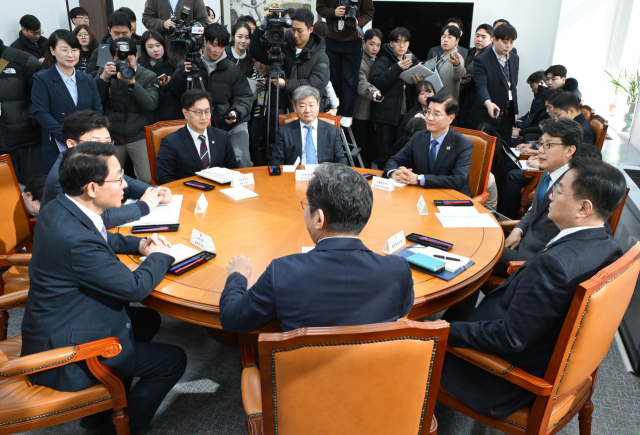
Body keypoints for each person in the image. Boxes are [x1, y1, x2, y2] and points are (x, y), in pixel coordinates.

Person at [440, 157, 626, 419]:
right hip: (542, 350)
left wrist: (442, 330)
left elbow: (510, 337)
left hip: (504, 380)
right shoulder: (608, 245)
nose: (550, 196)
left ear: (584, 208)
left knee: (409, 343)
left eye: (559, 191)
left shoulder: (554, 266)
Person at [21, 141, 187, 434]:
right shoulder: (76, 240)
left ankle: (102, 409)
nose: (125, 185)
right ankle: (119, 427)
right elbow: (135, 288)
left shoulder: (60, 207)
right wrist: (162, 256)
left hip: (57, 320)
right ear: (92, 189)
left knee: (147, 319)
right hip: (68, 350)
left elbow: (102, 237)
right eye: (118, 178)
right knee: (173, 360)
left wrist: (140, 244)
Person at [219, 163, 414, 333]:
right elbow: (401, 311)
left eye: (306, 205)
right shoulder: (398, 271)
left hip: (300, 375)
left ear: (319, 218)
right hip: (374, 371)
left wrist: (238, 276)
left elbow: (232, 319)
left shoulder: (283, 272)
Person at [40, 110, 173, 228]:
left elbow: (126, 183)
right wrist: (144, 206)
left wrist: (155, 193)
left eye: (108, 142)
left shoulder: (96, 162)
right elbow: (94, 217)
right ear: (72, 144)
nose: (104, 150)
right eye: (96, 143)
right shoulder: (63, 176)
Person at [495, 118, 583, 276]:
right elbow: (533, 210)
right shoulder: (549, 172)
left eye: (548, 145)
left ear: (569, 150)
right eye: (540, 143)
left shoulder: (574, 188)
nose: (540, 150)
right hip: (523, 243)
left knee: (478, 252)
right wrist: (519, 230)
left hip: (535, 262)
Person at [169, 23, 253, 168]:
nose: (217, 50)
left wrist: (236, 112)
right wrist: (181, 74)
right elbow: (174, 92)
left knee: (240, 157)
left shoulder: (232, 69)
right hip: (199, 124)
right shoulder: (189, 64)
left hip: (228, 125)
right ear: (204, 41)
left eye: (221, 46)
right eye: (213, 45)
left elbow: (245, 96)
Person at [32, 29, 103, 174]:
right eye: (64, 50)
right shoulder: (42, 79)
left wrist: (88, 136)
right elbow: (41, 113)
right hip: (57, 146)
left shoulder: (87, 79)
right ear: (52, 50)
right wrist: (69, 137)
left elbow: (98, 110)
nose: (70, 55)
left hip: (87, 145)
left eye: (74, 50)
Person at [94, 37, 158, 183]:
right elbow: (93, 100)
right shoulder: (106, 72)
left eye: (129, 60)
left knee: (147, 178)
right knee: (108, 178)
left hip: (138, 134)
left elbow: (150, 105)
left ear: (136, 56)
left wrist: (132, 84)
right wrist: (103, 78)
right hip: (113, 136)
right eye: (119, 60)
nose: (124, 64)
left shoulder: (148, 75)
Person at [385, 94, 474, 196]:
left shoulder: (463, 144)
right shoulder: (418, 137)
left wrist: (419, 179)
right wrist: (394, 173)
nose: (429, 118)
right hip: (422, 195)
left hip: (451, 198)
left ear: (451, 118)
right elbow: (394, 160)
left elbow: (458, 180)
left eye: (436, 114)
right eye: (428, 112)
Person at [156, 88, 239, 184]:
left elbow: (233, 169)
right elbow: (164, 179)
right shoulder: (171, 142)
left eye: (207, 111)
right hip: (189, 195)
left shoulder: (222, 136)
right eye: (198, 112)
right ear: (185, 113)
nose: (204, 117)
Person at [251, 9, 330, 104]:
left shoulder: (320, 55)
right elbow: (257, 53)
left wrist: (286, 84)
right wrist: (262, 27)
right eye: (293, 29)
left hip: (306, 110)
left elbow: (317, 83)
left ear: (310, 29)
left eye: (300, 31)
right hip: (280, 106)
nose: (295, 35)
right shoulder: (282, 44)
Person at [316, 0, 374, 127]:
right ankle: (334, 110)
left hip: (353, 39)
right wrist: (333, 12)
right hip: (332, 38)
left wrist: (359, 22)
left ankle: (347, 114)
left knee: (349, 79)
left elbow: (369, 12)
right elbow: (320, 7)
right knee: (333, 78)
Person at [370, 27, 418, 170]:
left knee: (402, 153)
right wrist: (397, 68)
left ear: (408, 44)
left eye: (405, 42)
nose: (401, 45)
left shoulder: (412, 61)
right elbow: (378, 83)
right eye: (398, 42)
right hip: (386, 116)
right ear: (391, 44)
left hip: (406, 116)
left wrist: (418, 82)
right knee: (384, 153)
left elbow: (416, 93)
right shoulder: (383, 60)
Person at [467, 23, 519, 144]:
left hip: (507, 116)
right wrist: (488, 103)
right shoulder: (482, 59)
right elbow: (481, 86)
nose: (509, 46)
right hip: (487, 115)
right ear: (494, 40)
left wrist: (515, 110)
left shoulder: (514, 58)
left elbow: (513, 86)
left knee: (502, 153)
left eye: (512, 42)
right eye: (505, 41)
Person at [0, 38, 43, 185]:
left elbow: (41, 94)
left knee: (32, 192)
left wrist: (28, 119)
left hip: (26, 142)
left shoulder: (22, 60)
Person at [269, 86, 347, 166]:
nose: (307, 110)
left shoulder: (332, 130)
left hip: (324, 175)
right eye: (302, 106)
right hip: (294, 175)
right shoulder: (284, 131)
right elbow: (277, 159)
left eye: (311, 105)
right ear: (295, 108)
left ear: (318, 106)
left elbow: (340, 159)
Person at [352, 28, 382, 168]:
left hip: (372, 112)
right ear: (363, 42)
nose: (374, 48)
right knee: (362, 147)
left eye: (378, 45)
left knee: (370, 147)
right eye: (371, 44)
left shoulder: (375, 59)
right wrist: (374, 91)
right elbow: (361, 82)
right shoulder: (359, 59)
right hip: (360, 112)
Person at [138, 29, 183, 122]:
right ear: (144, 49)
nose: (155, 50)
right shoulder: (142, 68)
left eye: (158, 45)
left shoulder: (174, 61)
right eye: (150, 47)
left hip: (179, 113)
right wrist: (162, 88)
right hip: (158, 117)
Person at [458, 23, 493, 127]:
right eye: (477, 36)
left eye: (483, 37)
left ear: (492, 40)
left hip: (477, 102)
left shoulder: (490, 56)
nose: (479, 39)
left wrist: (470, 79)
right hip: (466, 97)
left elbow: (487, 78)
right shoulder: (472, 51)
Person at [85, 11, 139, 77]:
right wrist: (104, 72)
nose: (120, 37)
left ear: (131, 30)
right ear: (109, 30)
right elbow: (88, 76)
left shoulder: (139, 48)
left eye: (124, 34)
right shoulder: (100, 51)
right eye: (116, 33)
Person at [430, 25, 466, 103]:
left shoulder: (457, 58)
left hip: (448, 106)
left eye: (450, 37)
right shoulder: (442, 57)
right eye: (443, 37)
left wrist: (457, 65)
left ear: (457, 41)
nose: (445, 40)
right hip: (437, 102)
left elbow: (458, 76)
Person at [142, 0, 209, 37]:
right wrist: (163, 24)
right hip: (163, 50)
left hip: (187, 49)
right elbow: (146, 19)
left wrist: (188, 29)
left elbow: (204, 23)